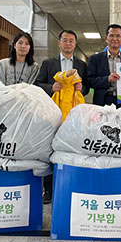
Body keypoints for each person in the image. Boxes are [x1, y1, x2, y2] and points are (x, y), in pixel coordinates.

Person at [35, 30, 88, 204]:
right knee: (50, 148)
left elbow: (87, 87)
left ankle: (70, 185)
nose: (67, 43)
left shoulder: (81, 64)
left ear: (75, 44)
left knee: (72, 148)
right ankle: (48, 189)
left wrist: (82, 88)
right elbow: (38, 84)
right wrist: (51, 87)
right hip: (53, 113)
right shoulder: (48, 63)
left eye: (71, 41)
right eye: (64, 40)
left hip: (73, 115)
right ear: (59, 43)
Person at [87, 24, 121, 108]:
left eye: (118, 36)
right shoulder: (95, 59)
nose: (115, 39)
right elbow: (89, 81)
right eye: (111, 35)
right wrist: (107, 79)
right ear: (106, 38)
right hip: (103, 100)